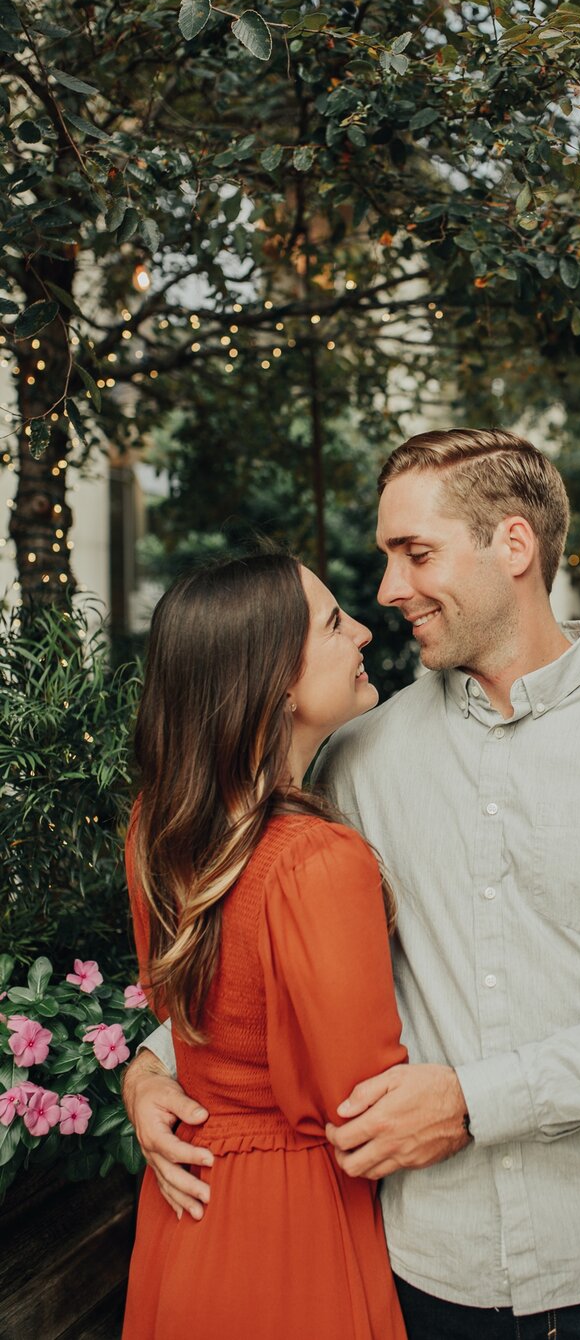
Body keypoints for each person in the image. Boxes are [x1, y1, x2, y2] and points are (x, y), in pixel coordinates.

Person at [126, 429, 580, 1340]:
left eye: (414, 554)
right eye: (388, 557)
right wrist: (156, 1066)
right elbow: (264, 940)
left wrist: (477, 1100)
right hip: (425, 1277)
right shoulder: (355, 756)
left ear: (514, 546)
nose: (388, 591)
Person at [121, 551, 408, 1339]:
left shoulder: (155, 826)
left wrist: (142, 1072)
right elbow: (361, 1105)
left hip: (191, 1205)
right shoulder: (318, 861)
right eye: (333, 622)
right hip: (289, 1226)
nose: (364, 631)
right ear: (278, 681)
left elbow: (195, 1020)